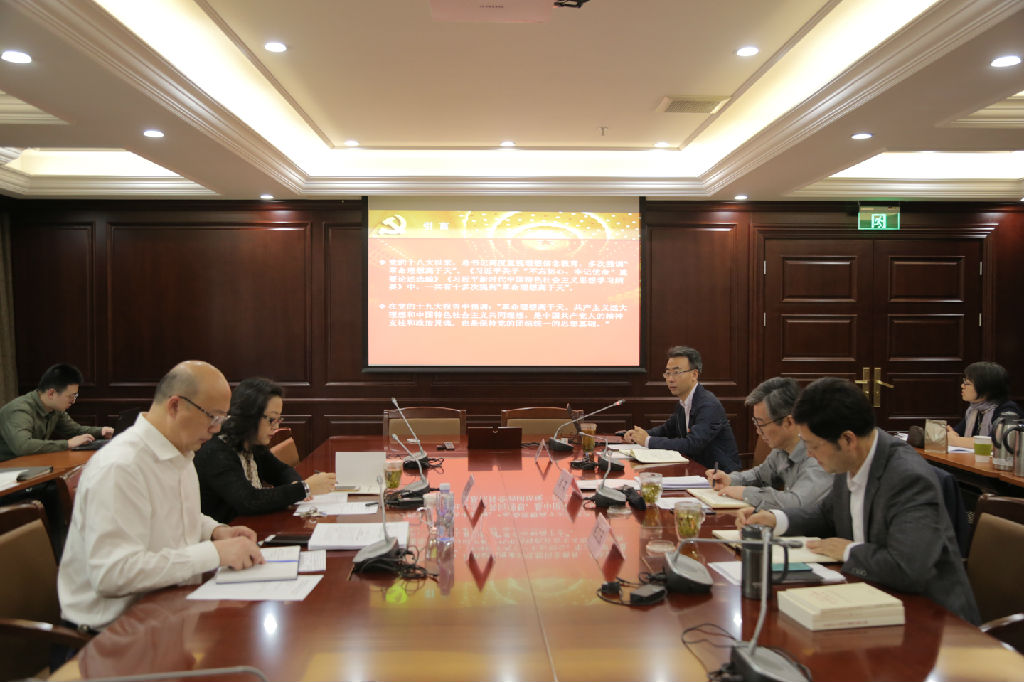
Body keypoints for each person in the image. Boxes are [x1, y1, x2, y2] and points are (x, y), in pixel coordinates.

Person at [737, 377, 980, 624]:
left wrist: (848, 551)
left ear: (847, 440)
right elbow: (826, 514)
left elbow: (908, 568)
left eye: (813, 446)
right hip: (871, 596)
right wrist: (776, 519)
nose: (808, 454)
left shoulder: (908, 478)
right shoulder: (850, 460)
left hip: (931, 619)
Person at [58, 360, 265, 630]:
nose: (216, 429)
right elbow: (112, 574)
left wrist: (214, 531)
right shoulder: (121, 466)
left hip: (166, 611)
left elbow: (173, 513)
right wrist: (213, 553)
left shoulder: (180, 450)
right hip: (110, 633)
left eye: (222, 420)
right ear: (175, 406)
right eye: (213, 418)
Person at [195, 377, 336, 523]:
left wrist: (295, 484)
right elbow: (249, 501)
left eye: (278, 419)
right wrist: (304, 488)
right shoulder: (217, 453)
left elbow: (281, 471)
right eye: (271, 420)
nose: (276, 427)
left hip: (249, 526)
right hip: (225, 532)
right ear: (249, 416)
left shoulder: (252, 443)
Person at [706, 377, 830, 510]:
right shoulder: (782, 448)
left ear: (789, 422)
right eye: (755, 423)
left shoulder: (817, 455)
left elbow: (797, 504)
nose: (758, 431)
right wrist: (730, 480)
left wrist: (746, 493)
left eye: (761, 424)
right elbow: (760, 475)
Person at [623, 346, 740, 471]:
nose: (670, 379)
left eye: (676, 373)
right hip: (695, 470)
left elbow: (693, 444)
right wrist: (638, 435)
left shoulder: (708, 405)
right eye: (668, 373)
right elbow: (667, 429)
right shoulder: (684, 402)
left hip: (719, 475)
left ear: (694, 374)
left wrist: (648, 441)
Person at [0, 363, 114, 461]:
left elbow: (75, 431)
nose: (73, 401)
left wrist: (102, 431)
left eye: (75, 396)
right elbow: (23, 446)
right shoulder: (19, 410)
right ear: (51, 393)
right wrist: (67, 444)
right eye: (71, 396)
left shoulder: (54, 408)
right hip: (7, 471)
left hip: (30, 465)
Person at [946, 361, 1020, 449]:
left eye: (967, 383)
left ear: (986, 388)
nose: (962, 386)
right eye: (964, 382)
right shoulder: (974, 409)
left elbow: (997, 443)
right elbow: (955, 433)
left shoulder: (1008, 411)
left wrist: (956, 441)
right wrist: (951, 436)